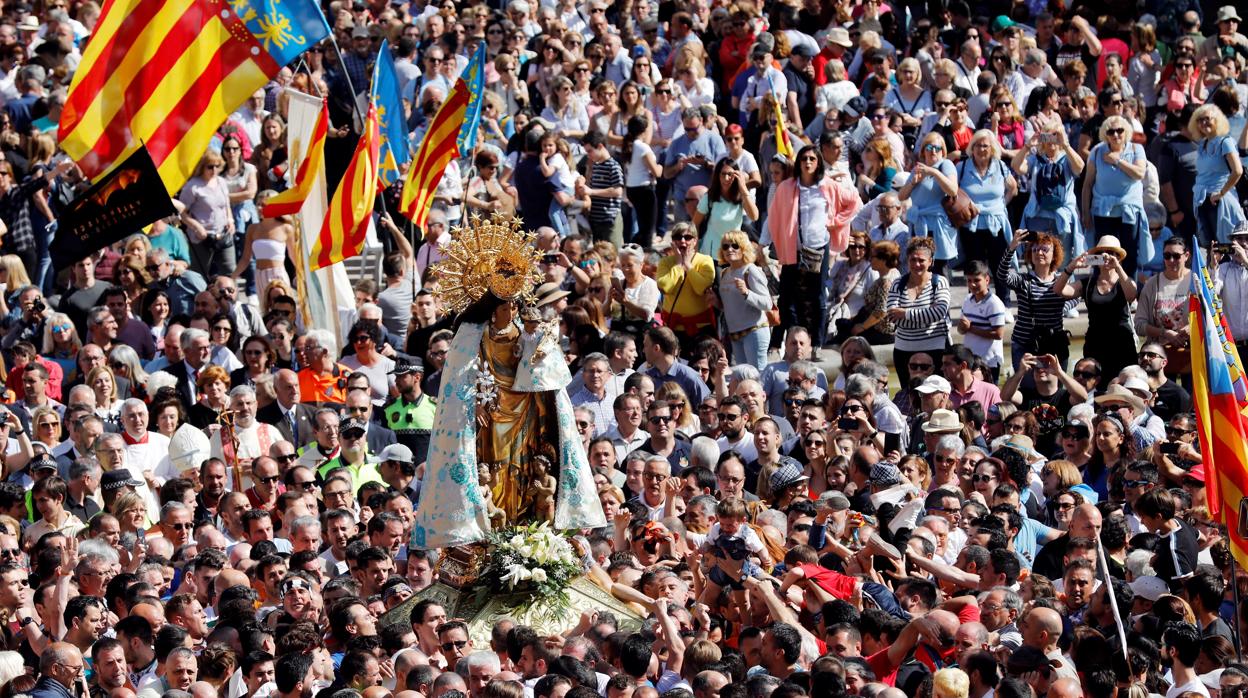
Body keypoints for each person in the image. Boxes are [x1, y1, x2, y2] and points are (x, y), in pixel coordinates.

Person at [765, 144, 861, 350]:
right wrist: (779, 241)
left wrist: (835, 221)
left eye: (812, 159)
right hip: (794, 248)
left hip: (818, 247)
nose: (808, 162)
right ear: (798, 162)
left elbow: (853, 201)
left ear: (818, 162)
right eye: (804, 159)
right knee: (786, 296)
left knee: (818, 296)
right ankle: (789, 337)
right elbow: (774, 217)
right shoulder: (787, 186)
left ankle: (817, 342)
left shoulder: (827, 185)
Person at [998, 230, 1079, 371]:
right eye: (1035, 249)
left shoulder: (1062, 279)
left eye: (1044, 249)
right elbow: (1002, 275)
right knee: (1027, 388)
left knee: (1056, 388)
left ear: (1054, 255)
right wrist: (1012, 247)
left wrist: (1063, 309)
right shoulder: (1023, 280)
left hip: (1054, 343)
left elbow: (1077, 295)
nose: (1039, 252)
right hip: (1025, 344)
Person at [1082, 115, 1149, 277]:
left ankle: (1128, 294)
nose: (1116, 135)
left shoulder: (1136, 149)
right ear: (1105, 134)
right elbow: (1087, 184)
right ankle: (1100, 290)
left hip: (1128, 211)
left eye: (1120, 130)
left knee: (1129, 253)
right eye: (1111, 131)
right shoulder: (1097, 151)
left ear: (1126, 132)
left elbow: (1140, 173)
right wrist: (1085, 213)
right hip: (1102, 211)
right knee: (1100, 254)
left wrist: (1117, 161)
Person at [887, 237, 951, 388]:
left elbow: (939, 312)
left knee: (936, 393)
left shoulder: (940, 282)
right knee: (908, 395)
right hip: (903, 351)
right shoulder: (898, 283)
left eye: (921, 260)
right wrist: (926, 314)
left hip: (935, 349)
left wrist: (905, 313)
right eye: (913, 260)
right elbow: (891, 316)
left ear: (931, 261)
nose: (917, 264)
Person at [1190, 104, 1245, 247]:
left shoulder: (1225, 142)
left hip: (1221, 202)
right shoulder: (1202, 144)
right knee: (1211, 249)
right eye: (1200, 120)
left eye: (1208, 118)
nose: (1204, 123)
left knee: (1226, 248)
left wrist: (1221, 193)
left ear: (1217, 120)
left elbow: (1237, 171)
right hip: (1203, 200)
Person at [655, 222, 716, 351]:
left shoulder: (705, 260)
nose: (682, 241)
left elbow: (701, 288)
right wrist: (678, 265)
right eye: (677, 237)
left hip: (700, 327)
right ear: (672, 241)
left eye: (687, 238)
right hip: (673, 328)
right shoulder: (665, 262)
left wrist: (688, 265)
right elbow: (665, 287)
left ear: (695, 241)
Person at [716, 230, 771, 370]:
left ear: (744, 248)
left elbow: (767, 303)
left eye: (735, 246)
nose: (729, 249)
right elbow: (730, 306)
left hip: (754, 331)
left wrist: (747, 293)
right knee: (743, 377)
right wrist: (715, 302)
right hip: (735, 334)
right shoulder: (724, 273)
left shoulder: (750, 270)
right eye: (725, 246)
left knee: (757, 378)